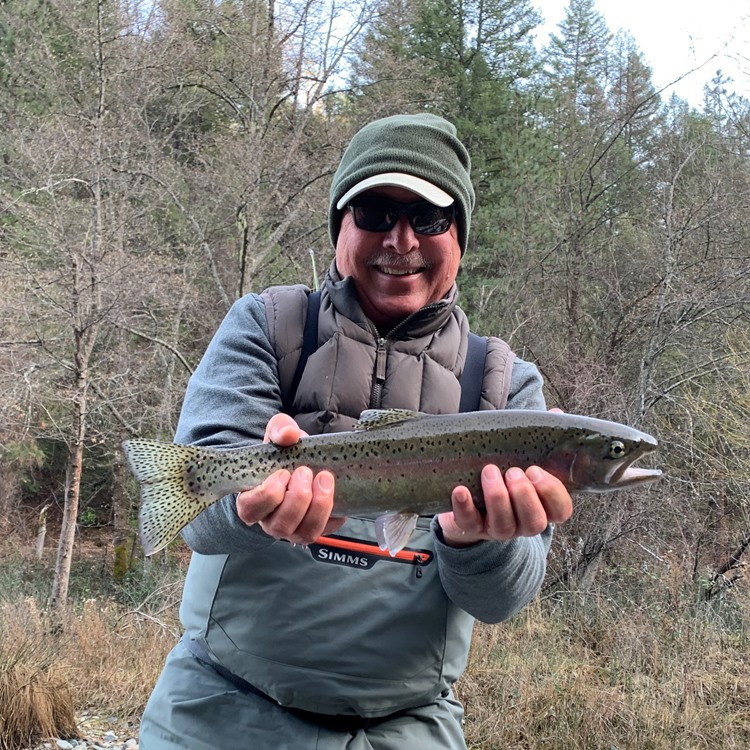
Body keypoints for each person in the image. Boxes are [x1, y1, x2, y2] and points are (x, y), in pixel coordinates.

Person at [139, 113, 573, 749]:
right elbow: (201, 525)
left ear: (460, 236)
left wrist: (482, 540)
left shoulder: (504, 387)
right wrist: (248, 508)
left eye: (429, 219)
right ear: (340, 229)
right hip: (221, 715)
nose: (401, 239)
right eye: (373, 213)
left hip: (402, 731)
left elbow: (503, 601)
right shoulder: (269, 328)